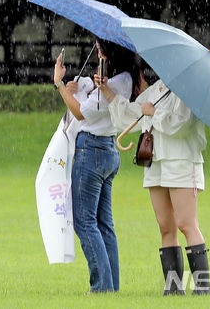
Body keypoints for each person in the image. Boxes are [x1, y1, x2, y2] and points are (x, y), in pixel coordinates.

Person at [99, 67, 210, 295]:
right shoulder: (158, 89)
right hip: (156, 163)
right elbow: (133, 113)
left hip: (181, 161)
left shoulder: (190, 91)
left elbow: (182, 125)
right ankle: (173, 287)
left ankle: (202, 287)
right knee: (165, 226)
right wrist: (108, 92)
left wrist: (153, 114)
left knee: (186, 224)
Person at [53, 37, 139, 293]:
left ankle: (101, 287)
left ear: (108, 52)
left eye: (100, 47)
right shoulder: (125, 79)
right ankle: (111, 285)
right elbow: (95, 89)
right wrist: (82, 84)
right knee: (104, 224)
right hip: (109, 150)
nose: (97, 51)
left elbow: (81, 113)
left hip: (91, 151)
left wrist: (59, 84)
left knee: (85, 223)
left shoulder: (110, 84)